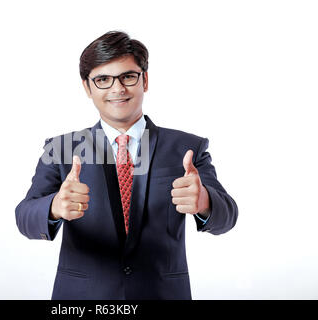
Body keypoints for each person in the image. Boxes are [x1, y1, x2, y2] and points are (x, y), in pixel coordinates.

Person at [15, 30, 238, 300]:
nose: (117, 89)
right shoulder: (61, 149)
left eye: (128, 76)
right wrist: (54, 207)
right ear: (87, 87)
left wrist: (205, 202)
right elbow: (24, 217)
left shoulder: (186, 148)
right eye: (103, 80)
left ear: (145, 80)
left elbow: (228, 216)